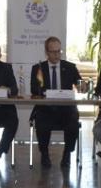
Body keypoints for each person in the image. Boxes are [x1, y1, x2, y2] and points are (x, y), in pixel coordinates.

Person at [30, 36, 82, 168]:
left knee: (73, 123)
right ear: (47, 52)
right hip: (46, 108)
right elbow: (34, 90)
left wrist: (83, 86)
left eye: (59, 51)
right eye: (53, 52)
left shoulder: (70, 67)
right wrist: (43, 92)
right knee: (41, 123)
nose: (57, 54)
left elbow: (80, 84)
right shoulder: (38, 68)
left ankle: (67, 154)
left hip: (66, 109)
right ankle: (45, 154)